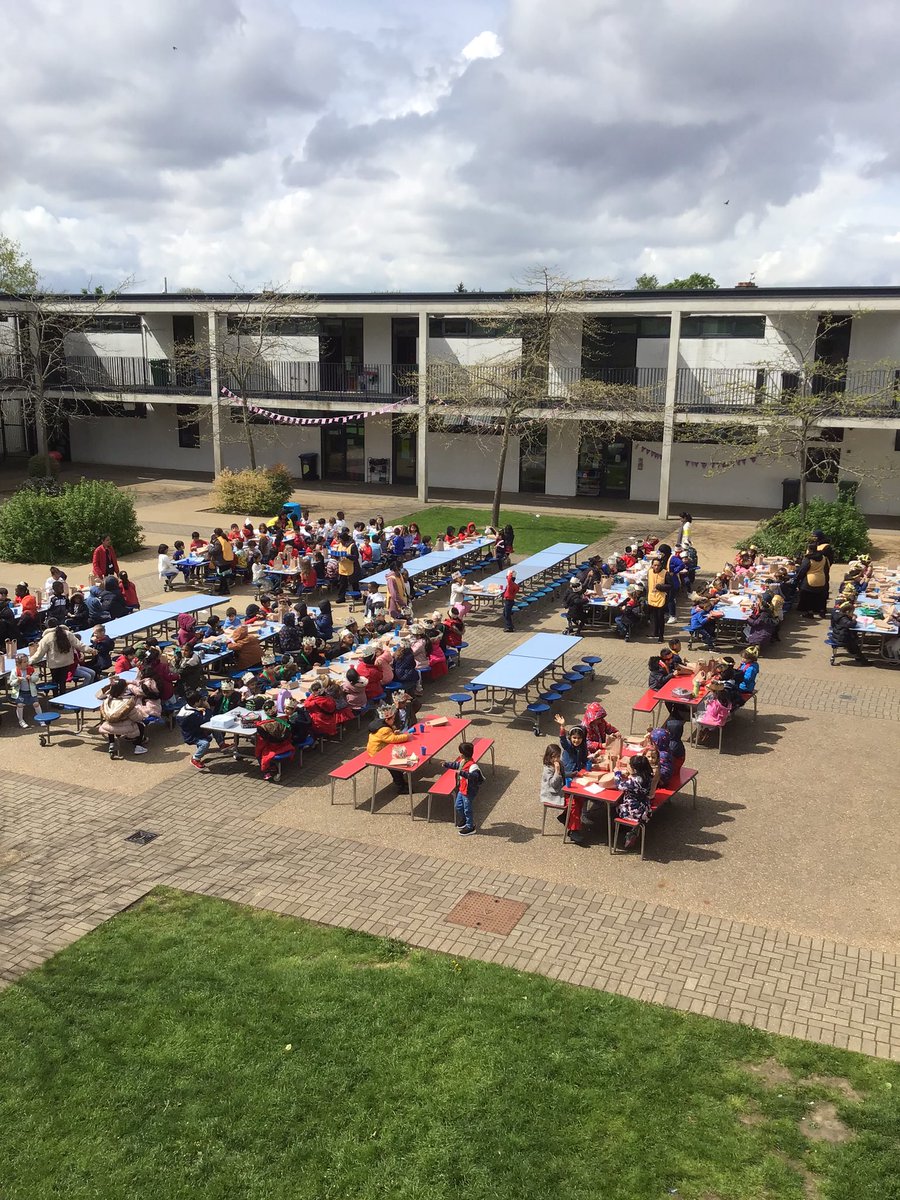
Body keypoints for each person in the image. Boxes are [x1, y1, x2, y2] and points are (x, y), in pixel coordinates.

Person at [366, 704, 412, 792]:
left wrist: (395, 732)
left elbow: (388, 737)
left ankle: (400, 780)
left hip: (378, 749)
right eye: (393, 719)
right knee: (394, 766)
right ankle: (400, 786)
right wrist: (406, 736)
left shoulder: (381, 725)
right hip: (378, 753)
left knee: (398, 760)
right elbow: (392, 739)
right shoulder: (384, 729)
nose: (394, 720)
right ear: (387, 719)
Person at [613, 754, 654, 850]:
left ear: (635, 769)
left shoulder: (633, 781)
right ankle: (633, 831)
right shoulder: (648, 776)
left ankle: (619, 830)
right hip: (645, 809)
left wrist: (617, 773)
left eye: (629, 765)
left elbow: (619, 785)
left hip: (633, 811)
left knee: (613, 806)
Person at [29, 618, 80, 695]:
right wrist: (91, 650)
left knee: (55, 682)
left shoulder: (46, 638)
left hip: (55, 664)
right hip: (66, 662)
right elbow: (79, 644)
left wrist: (29, 661)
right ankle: (63, 698)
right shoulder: (67, 633)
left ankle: (55, 698)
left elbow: (39, 654)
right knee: (62, 682)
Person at [443, 740, 484, 836]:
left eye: (461, 753)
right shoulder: (463, 762)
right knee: (458, 806)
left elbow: (474, 777)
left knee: (467, 809)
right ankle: (464, 820)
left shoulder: (473, 766)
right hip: (462, 788)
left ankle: (470, 826)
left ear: (464, 754)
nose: (460, 755)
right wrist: (447, 764)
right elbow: (456, 765)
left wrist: (462, 773)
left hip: (468, 791)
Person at [99, 677, 147, 757]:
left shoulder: (107, 700)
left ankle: (111, 744)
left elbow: (98, 695)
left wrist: (109, 686)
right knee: (141, 725)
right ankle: (138, 746)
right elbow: (136, 717)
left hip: (109, 726)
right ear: (124, 690)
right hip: (124, 726)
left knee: (111, 724)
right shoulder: (127, 703)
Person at [176, 691, 219, 770]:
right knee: (205, 744)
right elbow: (205, 720)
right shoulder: (191, 714)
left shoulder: (186, 707)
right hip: (193, 736)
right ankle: (195, 758)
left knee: (215, 728)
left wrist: (198, 709)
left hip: (195, 731)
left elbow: (195, 714)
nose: (202, 702)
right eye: (201, 700)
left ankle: (221, 743)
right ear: (196, 702)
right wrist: (208, 708)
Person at [254, 702, 295, 781]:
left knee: (258, 752)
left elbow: (265, 739)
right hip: (284, 745)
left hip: (272, 748)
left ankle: (267, 771)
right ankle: (272, 766)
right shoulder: (284, 721)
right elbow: (288, 735)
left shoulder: (261, 726)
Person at [793, 543, 830, 619]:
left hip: (810, 579)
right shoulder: (823, 557)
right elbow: (827, 568)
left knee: (807, 596)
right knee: (820, 596)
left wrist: (797, 578)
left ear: (809, 550)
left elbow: (803, 570)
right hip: (821, 578)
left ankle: (809, 613)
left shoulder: (808, 559)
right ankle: (822, 612)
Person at [11, 652, 43, 727]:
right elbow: (11, 683)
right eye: (24, 662)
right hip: (20, 692)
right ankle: (21, 721)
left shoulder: (31, 669)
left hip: (31, 692)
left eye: (27, 661)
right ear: (18, 664)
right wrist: (17, 681)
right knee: (19, 705)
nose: (26, 663)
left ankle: (41, 719)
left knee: (36, 703)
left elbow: (36, 678)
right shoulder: (15, 671)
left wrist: (31, 678)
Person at [645, 555, 672, 639]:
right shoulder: (649, 572)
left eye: (658, 565)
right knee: (653, 617)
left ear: (661, 565)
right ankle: (654, 632)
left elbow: (670, 585)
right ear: (652, 565)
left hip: (661, 598)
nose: (656, 567)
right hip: (651, 598)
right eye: (655, 565)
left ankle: (661, 636)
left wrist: (661, 587)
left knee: (660, 618)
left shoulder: (665, 573)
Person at [541, 744, 567, 826]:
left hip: (561, 787)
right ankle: (567, 820)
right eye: (553, 757)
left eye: (558, 756)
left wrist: (571, 774)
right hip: (552, 793)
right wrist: (557, 771)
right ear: (548, 757)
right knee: (572, 802)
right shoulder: (547, 769)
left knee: (577, 797)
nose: (556, 759)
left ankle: (565, 816)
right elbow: (553, 784)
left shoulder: (560, 763)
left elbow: (563, 775)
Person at [501, 569, 519, 633]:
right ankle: (510, 625)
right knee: (505, 613)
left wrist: (510, 573)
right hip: (510, 601)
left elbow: (508, 579)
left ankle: (509, 627)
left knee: (507, 615)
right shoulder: (515, 585)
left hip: (509, 601)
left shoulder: (511, 584)